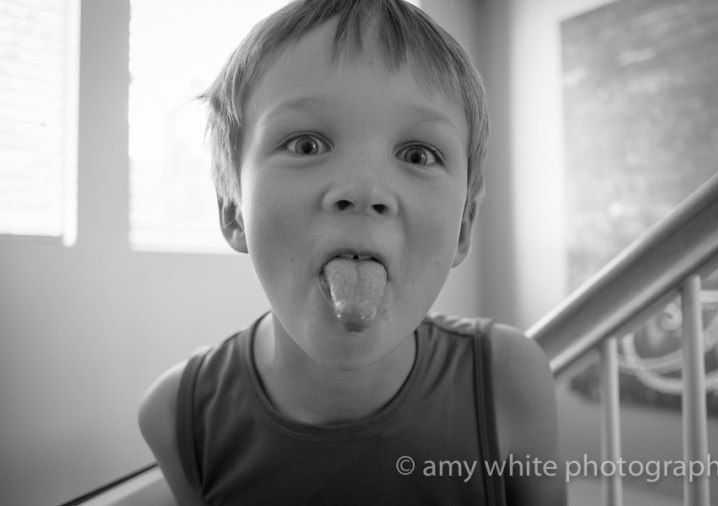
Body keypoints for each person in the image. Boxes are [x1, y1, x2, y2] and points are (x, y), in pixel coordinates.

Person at [139, 0, 566, 504]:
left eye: (418, 154)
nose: (364, 189)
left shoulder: (507, 380)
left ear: (463, 226)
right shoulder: (177, 415)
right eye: (306, 145)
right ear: (234, 210)